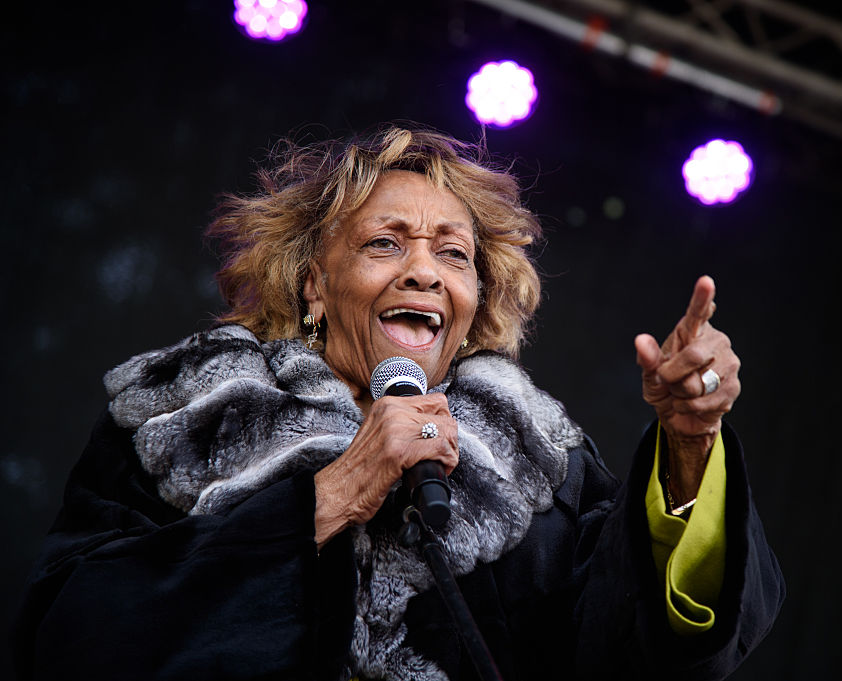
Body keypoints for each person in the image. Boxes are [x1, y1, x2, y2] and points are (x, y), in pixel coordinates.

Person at [13, 125, 784, 681]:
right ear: (314, 283)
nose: (424, 270)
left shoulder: (537, 469)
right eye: (385, 242)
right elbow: (71, 634)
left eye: (453, 253)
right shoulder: (187, 421)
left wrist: (690, 442)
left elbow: (638, 651)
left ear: (475, 302)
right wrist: (332, 494)